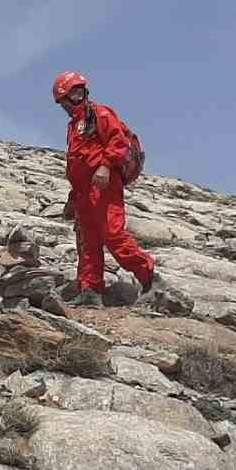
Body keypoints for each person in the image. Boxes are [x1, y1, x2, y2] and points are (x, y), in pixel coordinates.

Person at [53, 71, 156, 307]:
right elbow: (78, 164)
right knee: (87, 242)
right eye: (72, 94)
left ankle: (150, 278)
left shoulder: (99, 113)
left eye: (80, 92)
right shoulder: (75, 126)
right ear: (63, 101)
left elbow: (118, 142)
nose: (78, 97)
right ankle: (90, 291)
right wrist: (72, 198)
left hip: (104, 186)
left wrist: (106, 166)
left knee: (113, 234)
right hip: (83, 193)